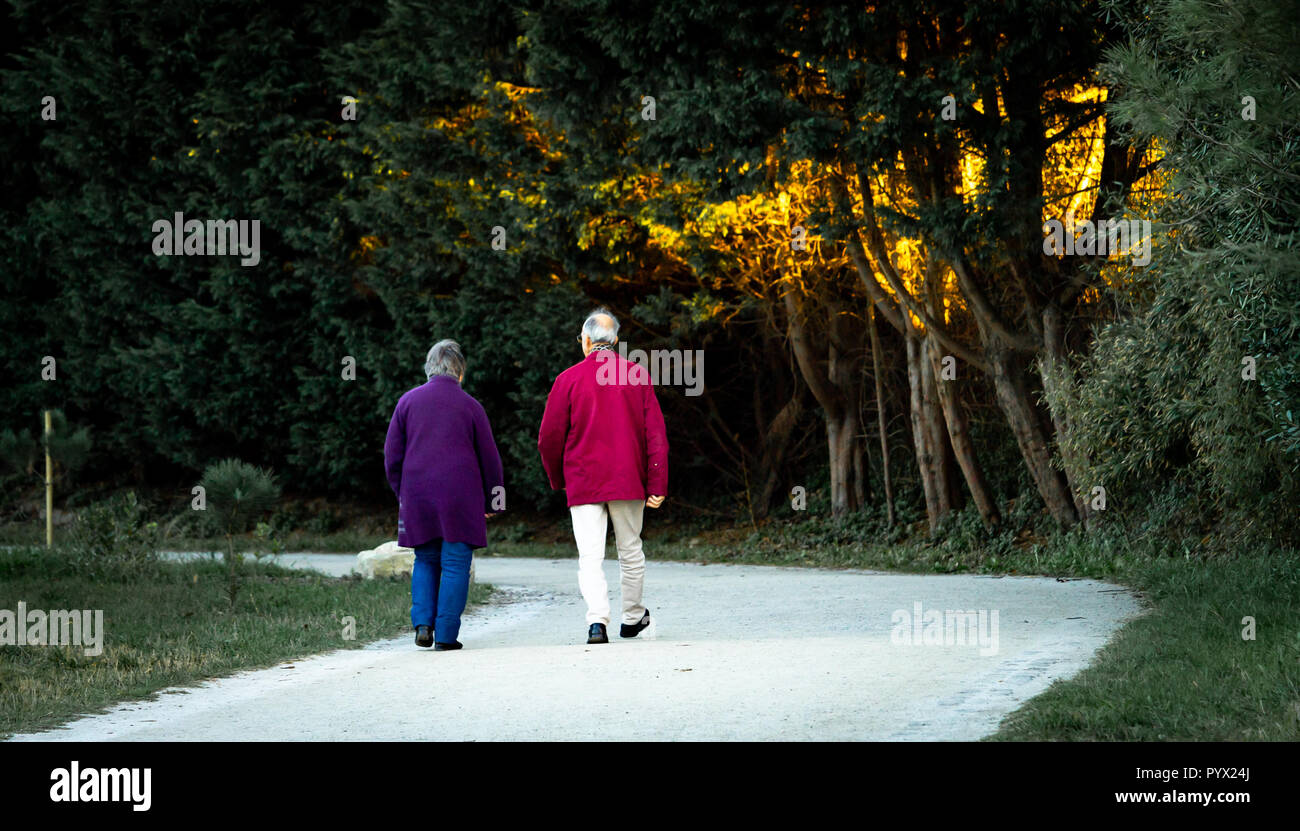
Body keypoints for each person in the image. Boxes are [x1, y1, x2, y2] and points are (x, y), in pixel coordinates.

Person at [538, 308, 669, 644]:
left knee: (590, 556)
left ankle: (597, 623)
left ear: (585, 341)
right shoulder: (636, 376)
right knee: (630, 550)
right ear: (617, 342)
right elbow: (655, 436)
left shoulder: (567, 380)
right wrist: (657, 482)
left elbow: (548, 439)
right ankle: (632, 617)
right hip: (628, 480)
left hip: (583, 481)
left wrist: (558, 478)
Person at [385, 340, 504, 651]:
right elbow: (490, 459)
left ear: (428, 369)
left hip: (417, 494)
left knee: (424, 559)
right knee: (455, 564)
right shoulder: (472, 407)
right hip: (461, 498)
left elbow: (391, 457)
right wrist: (494, 500)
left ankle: (423, 624)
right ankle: (447, 636)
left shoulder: (407, 403)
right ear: (460, 372)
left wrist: (403, 494)